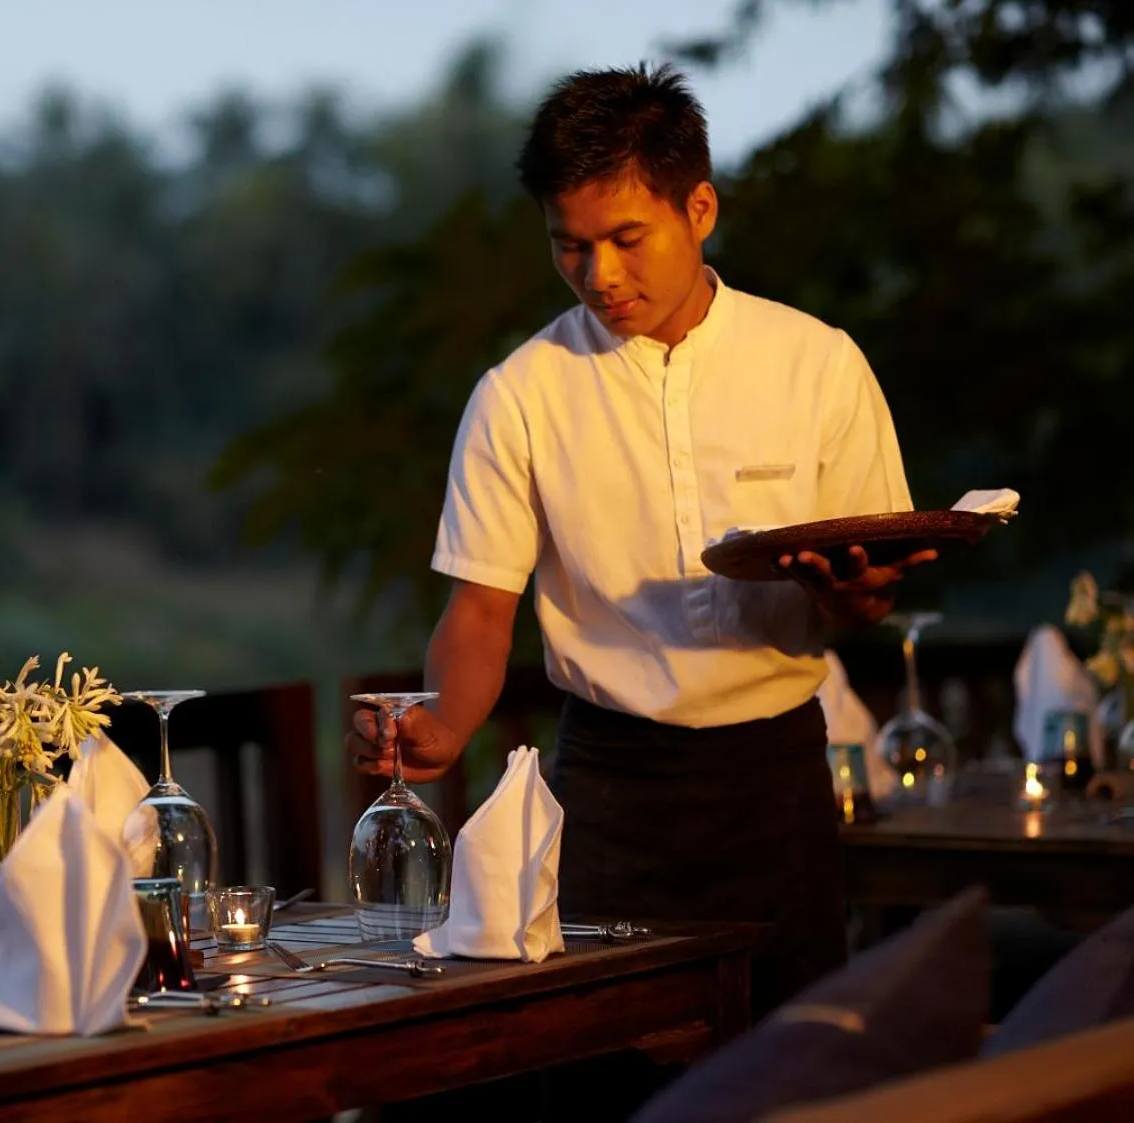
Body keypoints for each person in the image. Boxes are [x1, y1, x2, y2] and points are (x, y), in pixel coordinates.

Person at [349, 62, 935, 1020]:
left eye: (627, 238)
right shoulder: (520, 392)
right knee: (607, 1075)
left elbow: (866, 583)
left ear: (699, 207)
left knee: (790, 1065)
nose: (600, 275)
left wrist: (859, 594)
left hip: (775, 778)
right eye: (569, 247)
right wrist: (441, 727)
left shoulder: (815, 363)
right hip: (605, 792)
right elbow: (481, 606)